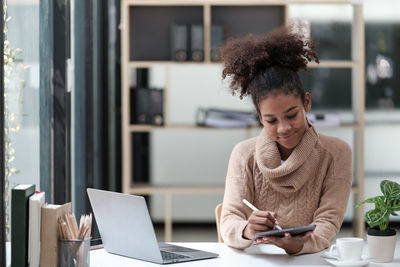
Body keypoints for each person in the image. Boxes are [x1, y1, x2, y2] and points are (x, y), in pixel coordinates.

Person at [219, 27, 352, 255]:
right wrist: (247, 230)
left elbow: (329, 222)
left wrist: (299, 245)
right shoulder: (244, 154)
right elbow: (229, 218)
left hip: (308, 258)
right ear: (260, 118)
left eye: (292, 115)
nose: (284, 128)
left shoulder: (337, 153)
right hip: (256, 259)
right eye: (271, 120)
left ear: (306, 103)